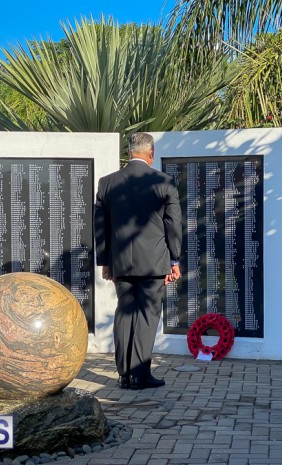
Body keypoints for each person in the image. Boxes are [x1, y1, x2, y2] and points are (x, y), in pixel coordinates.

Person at [94, 132, 182, 390]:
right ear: (151, 154)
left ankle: (123, 374)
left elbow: (101, 226)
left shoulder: (107, 183)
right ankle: (140, 374)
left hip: (120, 261)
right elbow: (173, 225)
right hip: (154, 263)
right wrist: (174, 259)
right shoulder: (164, 182)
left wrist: (105, 261)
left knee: (124, 313)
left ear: (129, 151)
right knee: (146, 315)